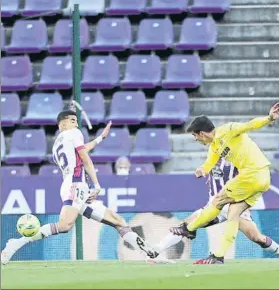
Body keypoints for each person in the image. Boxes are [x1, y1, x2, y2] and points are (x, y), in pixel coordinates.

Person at [1, 110, 159, 264]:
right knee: (64, 225)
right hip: (76, 185)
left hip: (74, 186)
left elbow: (80, 151)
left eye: (76, 121)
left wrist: (100, 138)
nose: (76, 124)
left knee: (117, 220)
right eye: (72, 121)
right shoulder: (74, 134)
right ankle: (17, 243)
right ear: (62, 124)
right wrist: (96, 185)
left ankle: (149, 253)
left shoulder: (57, 144)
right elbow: (84, 157)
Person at [171, 102, 279, 264]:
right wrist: (202, 170)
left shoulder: (228, 130)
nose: (195, 139)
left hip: (253, 173)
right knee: (233, 213)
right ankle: (218, 256)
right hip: (262, 177)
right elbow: (209, 163)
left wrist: (269, 118)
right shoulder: (214, 146)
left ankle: (188, 229)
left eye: (194, 135)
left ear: (201, 133)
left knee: (218, 201)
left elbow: (249, 125)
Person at [150, 158, 279, 263]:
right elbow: (209, 171)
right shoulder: (213, 157)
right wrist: (202, 170)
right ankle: (157, 250)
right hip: (214, 206)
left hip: (234, 206)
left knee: (256, 237)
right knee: (186, 226)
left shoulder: (240, 160)